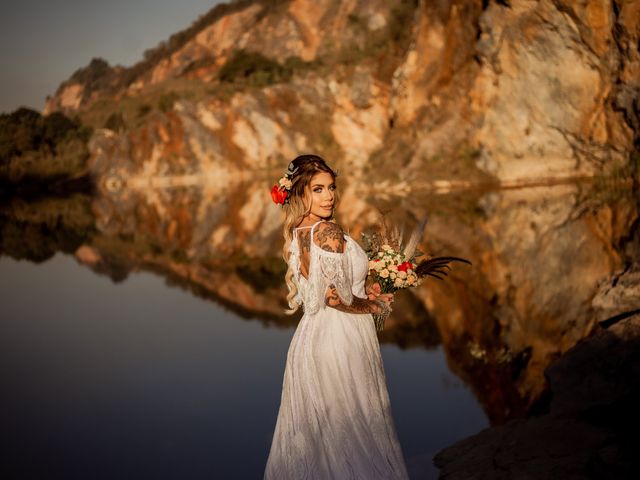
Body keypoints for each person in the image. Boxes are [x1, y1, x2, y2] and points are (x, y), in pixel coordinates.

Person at [264, 154, 410, 479]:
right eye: (318, 189)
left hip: (309, 341)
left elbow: (328, 288)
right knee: (356, 433)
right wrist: (375, 306)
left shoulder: (300, 232)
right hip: (341, 342)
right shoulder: (327, 231)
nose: (329, 196)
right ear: (301, 193)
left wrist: (369, 287)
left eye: (331, 187)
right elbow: (335, 298)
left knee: (326, 441)